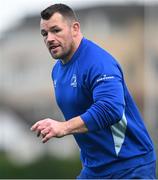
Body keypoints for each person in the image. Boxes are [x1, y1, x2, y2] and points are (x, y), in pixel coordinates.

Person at [31, 3, 156, 179]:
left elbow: (110, 109)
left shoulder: (98, 63)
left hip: (129, 165)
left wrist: (63, 127)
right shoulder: (57, 71)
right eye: (44, 33)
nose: (49, 38)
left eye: (56, 30)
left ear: (75, 28)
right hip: (94, 168)